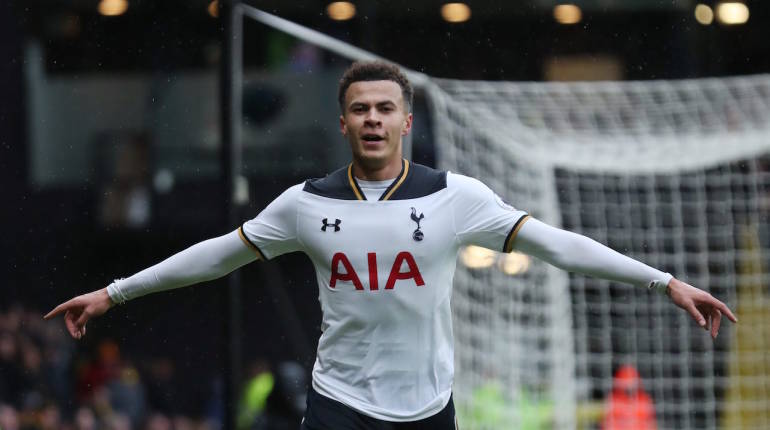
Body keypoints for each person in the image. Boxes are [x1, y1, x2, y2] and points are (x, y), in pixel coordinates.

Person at [45, 61, 737, 430]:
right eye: (359, 109)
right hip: (338, 404)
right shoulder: (306, 204)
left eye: (384, 109)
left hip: (428, 408)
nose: (372, 119)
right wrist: (114, 293)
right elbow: (216, 255)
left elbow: (558, 245)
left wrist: (663, 281)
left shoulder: (454, 197)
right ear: (343, 123)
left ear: (406, 121)